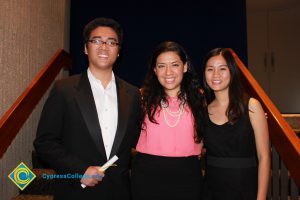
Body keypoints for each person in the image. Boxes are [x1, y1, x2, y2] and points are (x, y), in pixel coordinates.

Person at [34, 18, 141, 200]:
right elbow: (45, 142)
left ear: (118, 51)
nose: (104, 47)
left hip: (119, 192)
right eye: (97, 41)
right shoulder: (64, 89)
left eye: (111, 42)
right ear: (86, 48)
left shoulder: (132, 93)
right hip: (76, 191)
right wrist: (79, 170)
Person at [131, 41, 206, 200]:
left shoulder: (199, 97)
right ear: (154, 70)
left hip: (188, 175)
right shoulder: (142, 97)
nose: (168, 72)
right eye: (161, 66)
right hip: (147, 174)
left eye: (174, 65)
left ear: (185, 67)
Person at [202, 48, 270, 200]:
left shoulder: (252, 106)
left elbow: (264, 157)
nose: (216, 75)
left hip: (245, 187)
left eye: (222, 69)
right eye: (210, 69)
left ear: (232, 72)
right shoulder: (203, 111)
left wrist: (261, 198)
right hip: (212, 189)